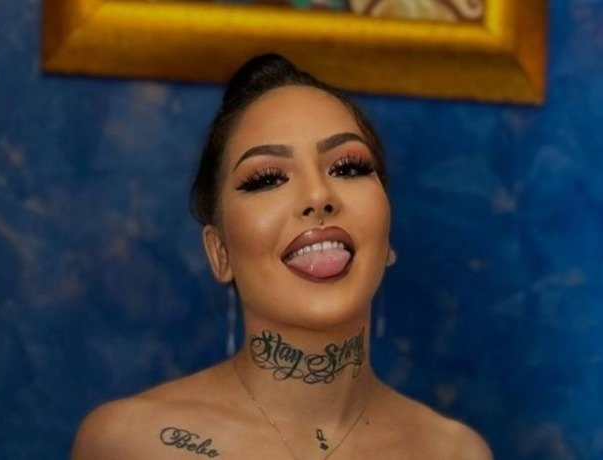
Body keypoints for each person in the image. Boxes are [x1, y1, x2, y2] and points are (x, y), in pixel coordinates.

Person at [72, 54, 493, 459]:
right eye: (267, 178)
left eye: (348, 168)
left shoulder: (456, 454)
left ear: (387, 240)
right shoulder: (127, 444)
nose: (318, 195)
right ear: (220, 252)